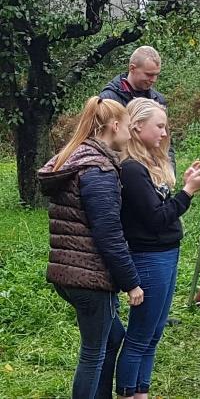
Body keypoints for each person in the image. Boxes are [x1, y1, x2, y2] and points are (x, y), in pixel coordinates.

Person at [37, 96, 143, 399]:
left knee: (113, 337)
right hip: (89, 277)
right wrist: (131, 282)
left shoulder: (75, 158)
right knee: (92, 355)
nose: (130, 134)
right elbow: (108, 234)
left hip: (67, 271)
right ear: (114, 125)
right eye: (127, 127)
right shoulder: (98, 171)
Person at [115, 98, 200, 398]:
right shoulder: (131, 169)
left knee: (154, 333)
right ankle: (127, 393)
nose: (163, 132)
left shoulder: (147, 164)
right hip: (149, 258)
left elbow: (159, 209)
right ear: (137, 126)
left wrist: (183, 187)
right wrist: (187, 192)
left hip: (166, 254)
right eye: (159, 126)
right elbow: (157, 219)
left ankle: (140, 391)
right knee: (140, 335)